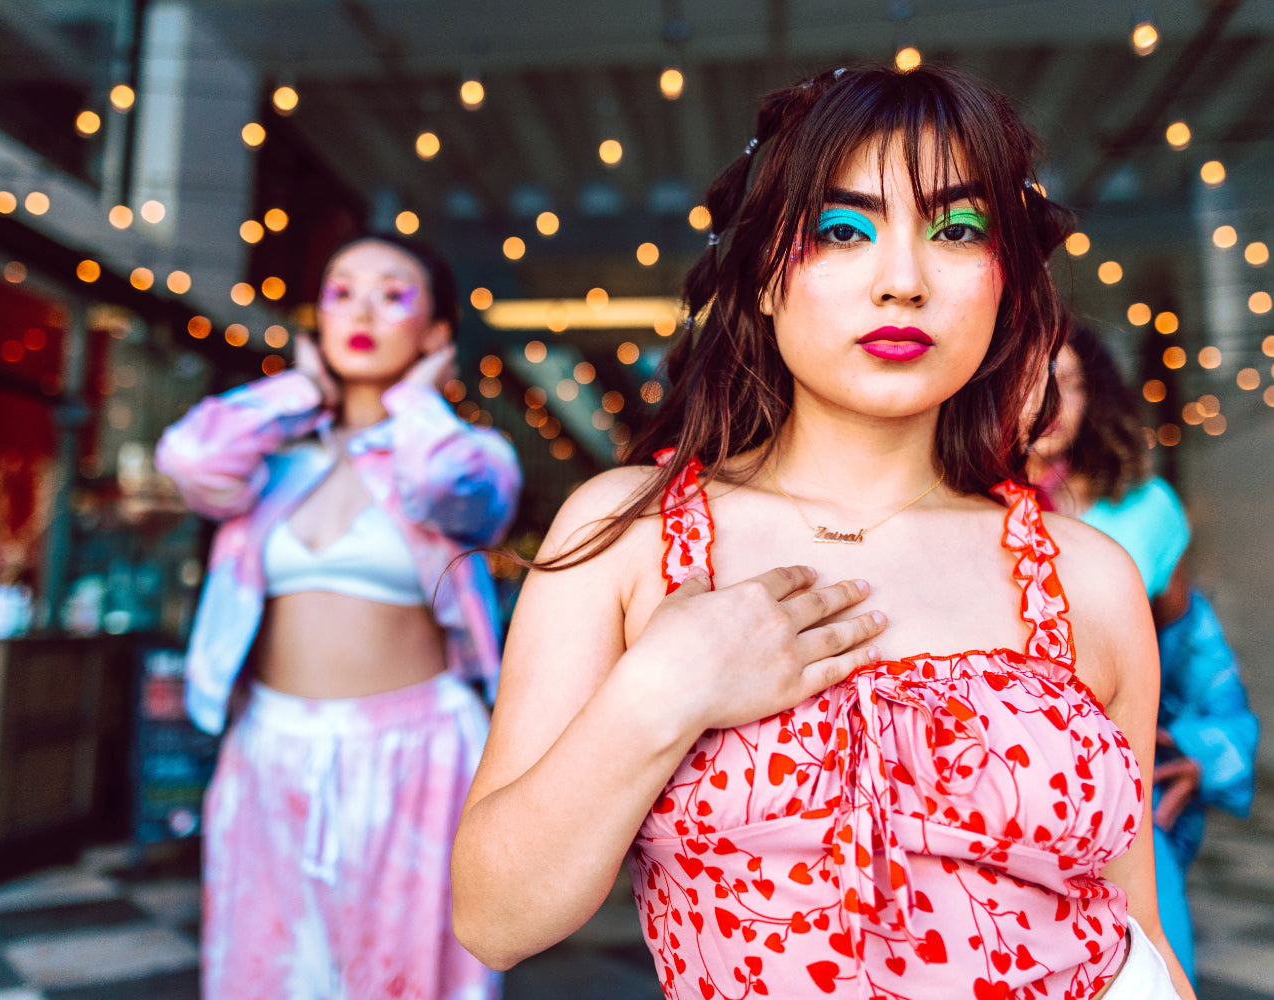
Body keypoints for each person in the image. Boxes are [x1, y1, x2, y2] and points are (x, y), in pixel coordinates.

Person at [452, 65, 1195, 999]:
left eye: (957, 231)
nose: (902, 281)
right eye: (842, 231)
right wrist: (663, 690)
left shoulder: (1086, 577)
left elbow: (1138, 931)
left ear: (1006, 283)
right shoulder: (631, 534)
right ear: (762, 276)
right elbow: (493, 919)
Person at [156, 233, 520, 1000]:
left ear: (435, 333)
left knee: (406, 974)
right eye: (340, 291)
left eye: (392, 295)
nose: (361, 309)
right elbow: (188, 459)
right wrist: (300, 391)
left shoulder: (472, 453)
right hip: (269, 747)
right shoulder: (274, 467)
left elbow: (450, 488)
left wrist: (417, 399)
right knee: (266, 969)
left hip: (419, 753)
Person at [1027, 324, 1259, 984]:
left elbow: (1193, 652)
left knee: (1151, 956)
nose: (1048, 402)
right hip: (1002, 796)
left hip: (1120, 792)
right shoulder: (960, 509)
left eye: (1069, 384)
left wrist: (1202, 748)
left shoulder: (1144, 512)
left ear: (1094, 398)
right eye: (1031, 382)